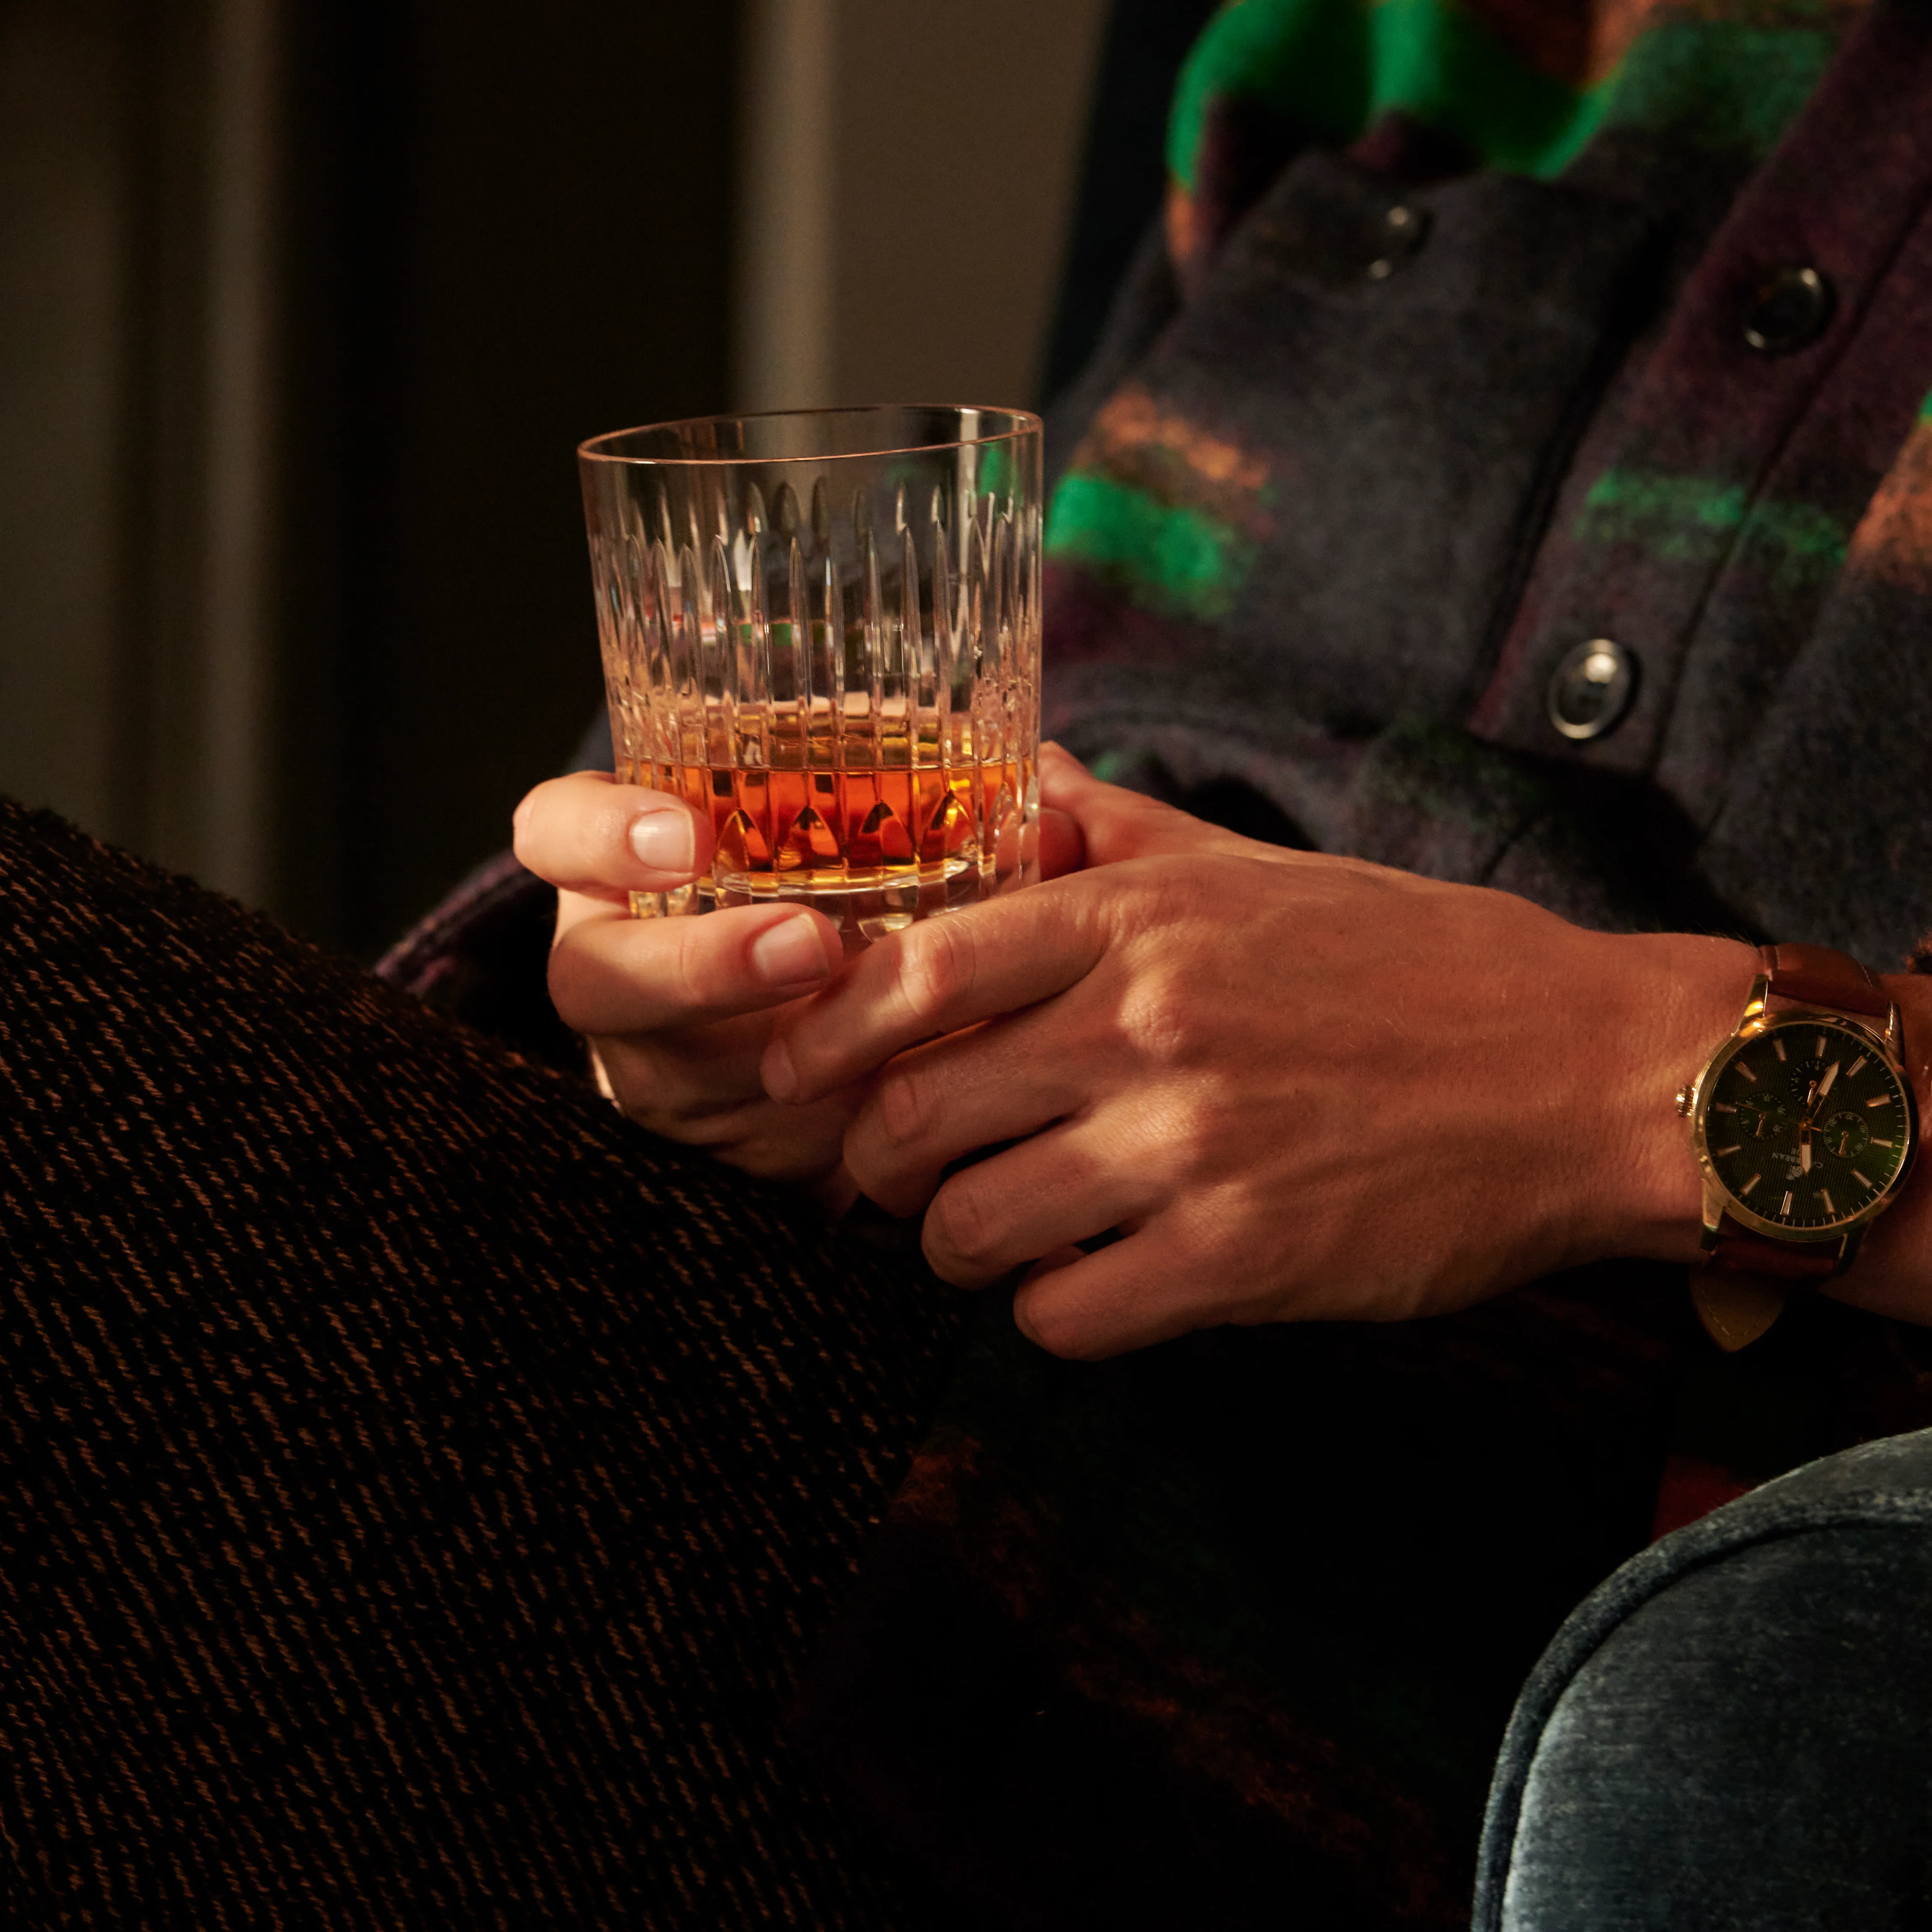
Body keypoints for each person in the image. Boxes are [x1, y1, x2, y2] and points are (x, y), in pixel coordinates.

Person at [10, 0, 1932, 1924]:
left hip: (1450, 1557)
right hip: (880, 1322)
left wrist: (1611, 1085)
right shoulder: (1347, 41)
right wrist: (713, 1018)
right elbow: (998, 724)